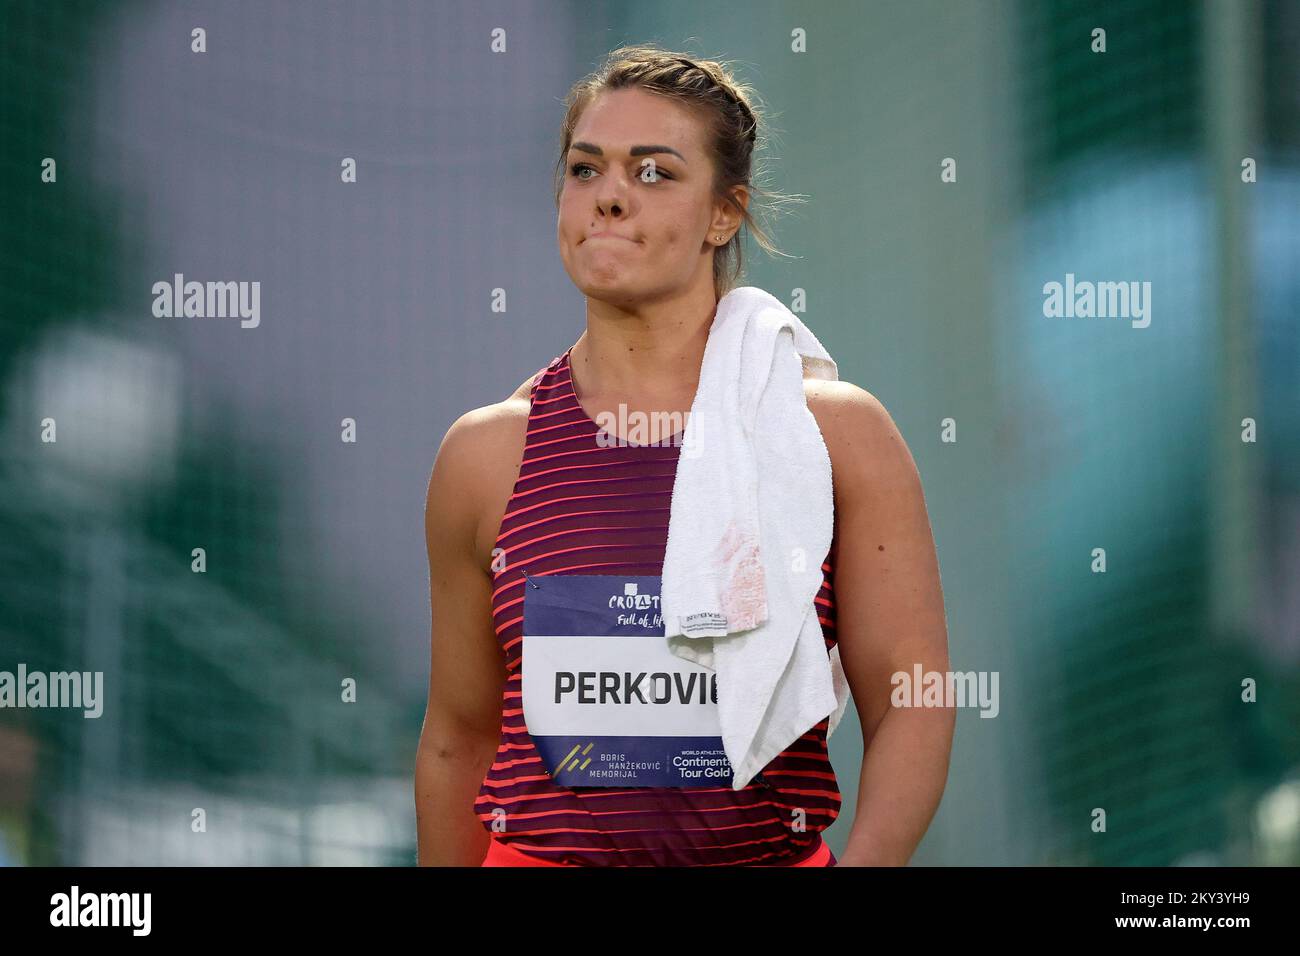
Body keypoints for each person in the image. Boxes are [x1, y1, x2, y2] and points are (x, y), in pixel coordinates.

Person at [415, 44, 953, 867]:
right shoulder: (485, 454)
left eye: (655, 172)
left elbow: (913, 703)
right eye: (585, 169)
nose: (610, 198)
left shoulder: (836, 438)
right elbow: (459, 737)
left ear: (724, 214)